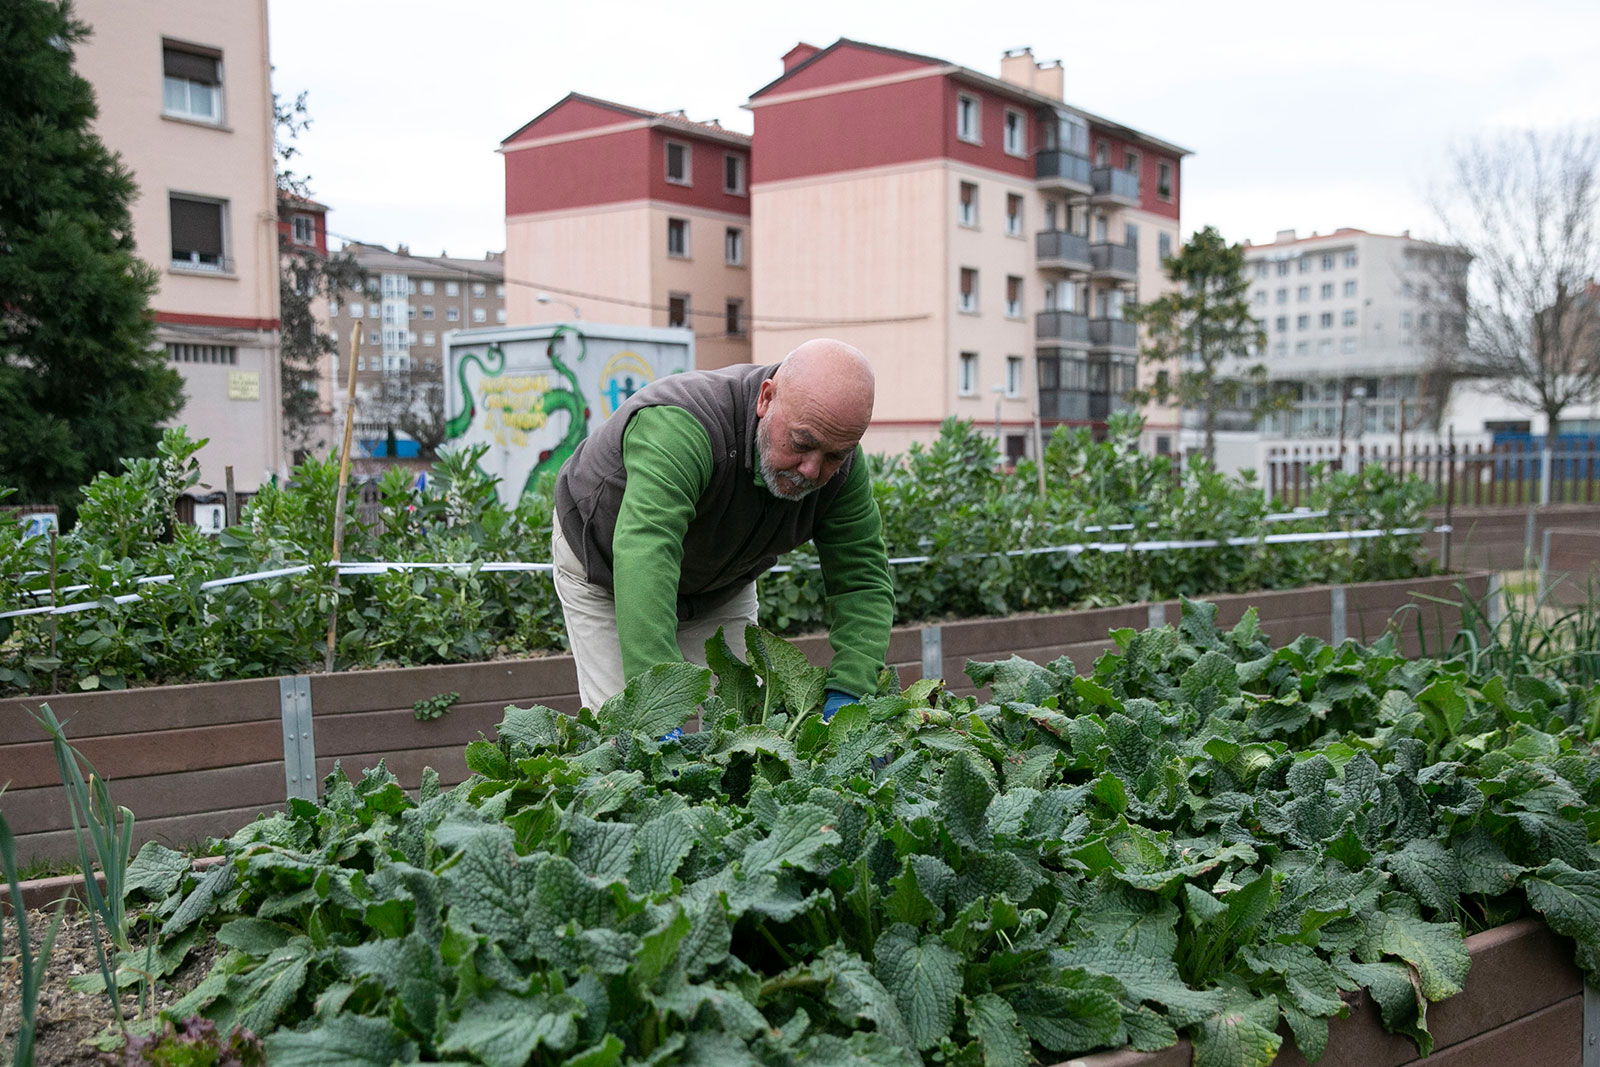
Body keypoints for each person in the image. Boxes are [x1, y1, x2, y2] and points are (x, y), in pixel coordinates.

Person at [551, 338, 893, 720]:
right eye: (801, 443)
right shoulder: (682, 425)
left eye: (834, 455)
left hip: (721, 582)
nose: (812, 470)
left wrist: (850, 691)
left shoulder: (840, 464)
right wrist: (658, 707)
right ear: (766, 399)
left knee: (743, 731)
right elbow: (646, 553)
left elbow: (861, 581)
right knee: (627, 730)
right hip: (609, 567)